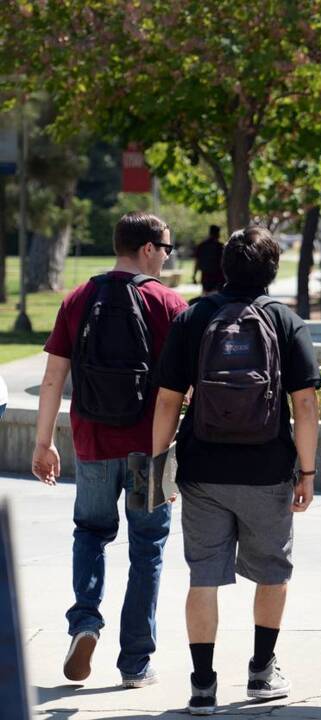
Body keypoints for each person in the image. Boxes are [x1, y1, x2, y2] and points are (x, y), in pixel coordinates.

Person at [151, 225, 321, 715]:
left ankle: (202, 685)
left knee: (203, 576)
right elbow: (305, 405)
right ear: (271, 270)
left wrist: (157, 469)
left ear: (223, 266)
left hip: (202, 470)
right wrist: (306, 473)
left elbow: (167, 401)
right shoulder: (285, 322)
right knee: (272, 571)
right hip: (268, 469)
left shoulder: (194, 317)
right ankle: (261, 672)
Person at [32, 212, 188, 687]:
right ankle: (135, 663)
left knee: (91, 533)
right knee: (148, 549)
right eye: (165, 247)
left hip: (93, 441)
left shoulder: (78, 298)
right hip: (151, 450)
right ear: (146, 249)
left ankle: (84, 623)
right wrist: (179, 458)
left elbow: (54, 378)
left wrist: (44, 442)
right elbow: (186, 388)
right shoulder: (168, 303)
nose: (166, 255)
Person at [192, 224, 225, 295]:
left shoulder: (202, 246)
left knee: (206, 298)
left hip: (206, 277)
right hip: (218, 278)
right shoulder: (221, 247)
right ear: (218, 234)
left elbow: (197, 262)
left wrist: (194, 275)